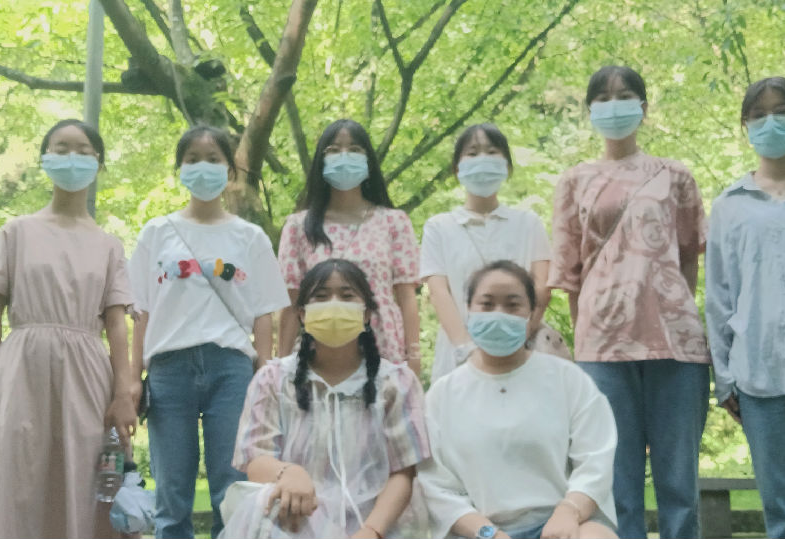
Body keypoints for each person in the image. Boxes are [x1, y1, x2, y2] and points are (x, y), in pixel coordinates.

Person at [547, 65, 711, 539]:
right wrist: (586, 341)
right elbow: (570, 273)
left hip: (676, 346)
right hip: (602, 347)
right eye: (603, 97)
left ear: (644, 106)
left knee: (678, 482)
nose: (613, 105)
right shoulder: (574, 180)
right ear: (589, 110)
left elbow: (688, 256)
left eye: (624, 95)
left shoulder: (675, 175)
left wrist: (671, 311)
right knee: (616, 483)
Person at [0, 119, 137, 539]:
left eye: (82, 150)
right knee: (18, 476)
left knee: (82, 478)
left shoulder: (108, 245)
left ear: (99, 163)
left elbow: (116, 324)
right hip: (19, 373)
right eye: (60, 148)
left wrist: (123, 393)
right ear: (44, 157)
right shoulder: (16, 232)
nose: (71, 158)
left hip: (86, 376)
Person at [128, 125, 289, 538]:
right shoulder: (156, 233)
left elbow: (264, 313)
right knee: (171, 492)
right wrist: (132, 377)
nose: (203, 168)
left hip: (231, 369)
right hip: (168, 369)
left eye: (213, 159)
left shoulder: (249, 237)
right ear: (179, 169)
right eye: (193, 159)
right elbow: (140, 310)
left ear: (230, 171)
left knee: (232, 488)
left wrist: (264, 374)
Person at [220, 259, 430, 539]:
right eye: (321, 296)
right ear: (302, 314)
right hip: (294, 523)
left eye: (346, 295)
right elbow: (255, 459)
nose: (334, 305)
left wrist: (371, 531)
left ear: (367, 313)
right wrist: (288, 473)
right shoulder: (273, 380)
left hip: (377, 527)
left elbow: (404, 472)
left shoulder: (396, 383)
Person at [705, 76, 785, 539]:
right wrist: (724, 377)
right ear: (745, 126)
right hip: (760, 370)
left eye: (783, 111)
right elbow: (719, 296)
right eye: (759, 114)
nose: (771, 122)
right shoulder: (729, 206)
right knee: (782, 513)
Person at [418, 260, 617, 539]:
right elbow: (437, 486)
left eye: (512, 305)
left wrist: (569, 511)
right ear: (469, 309)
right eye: (487, 304)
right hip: (480, 532)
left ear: (532, 313)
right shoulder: (442, 395)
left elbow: (596, 457)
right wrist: (489, 533)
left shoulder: (568, 380)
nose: (499, 314)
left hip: (560, 525)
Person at [277, 119, 422, 377]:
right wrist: (280, 365)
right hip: (320, 347)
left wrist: (413, 355)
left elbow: (406, 296)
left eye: (354, 149)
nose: (344, 156)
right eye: (334, 150)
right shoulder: (299, 226)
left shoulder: (393, 222)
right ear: (321, 161)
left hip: (383, 344)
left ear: (368, 160)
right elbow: (290, 302)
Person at [420, 123, 555, 382]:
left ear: (507, 166)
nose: (482, 159)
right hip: (457, 358)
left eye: (492, 152)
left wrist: (516, 343)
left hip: (522, 356)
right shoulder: (439, 227)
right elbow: (439, 293)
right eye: (472, 153)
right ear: (457, 168)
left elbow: (542, 287)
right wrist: (466, 349)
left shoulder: (528, 223)